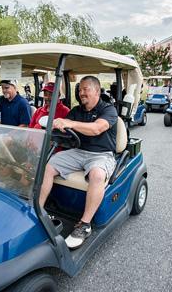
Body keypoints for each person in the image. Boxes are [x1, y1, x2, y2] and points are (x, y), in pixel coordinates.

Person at [39, 75, 118, 249]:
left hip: (101, 154)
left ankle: (84, 225)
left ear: (96, 91)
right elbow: (68, 130)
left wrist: (70, 123)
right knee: (49, 164)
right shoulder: (77, 111)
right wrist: (57, 126)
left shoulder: (108, 110)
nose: (81, 93)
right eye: (80, 89)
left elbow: (97, 128)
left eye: (86, 89)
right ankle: (38, 210)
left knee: (97, 175)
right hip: (79, 151)